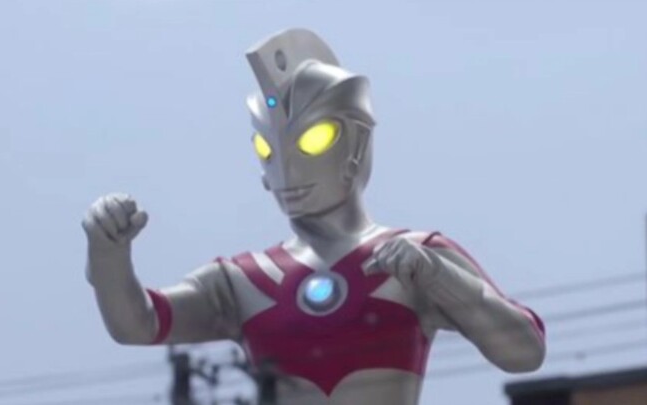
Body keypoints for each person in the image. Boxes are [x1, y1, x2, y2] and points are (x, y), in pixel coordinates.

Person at [82, 28, 545, 405]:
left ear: (357, 142)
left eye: (313, 140)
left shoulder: (413, 258)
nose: (288, 169)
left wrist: (438, 278)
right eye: (267, 149)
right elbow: (139, 322)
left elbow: (524, 349)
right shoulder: (243, 280)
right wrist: (108, 255)